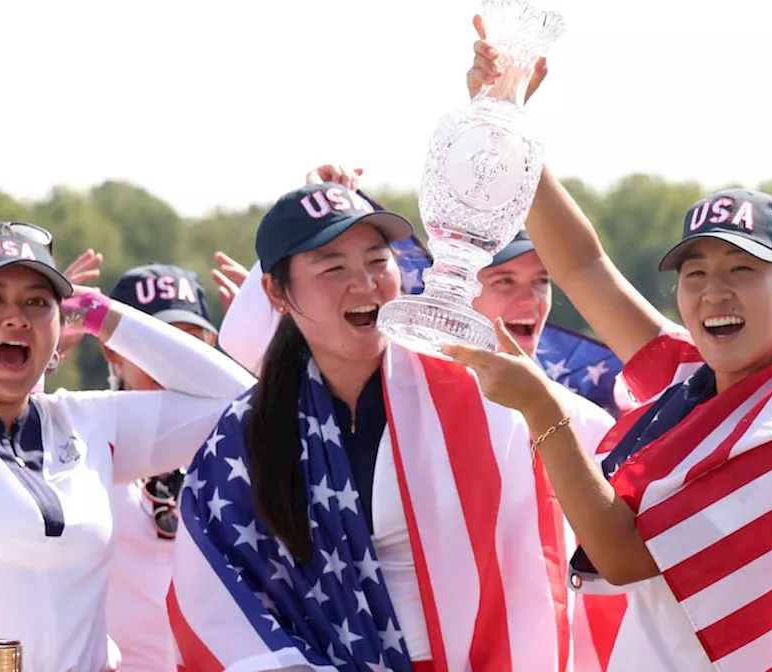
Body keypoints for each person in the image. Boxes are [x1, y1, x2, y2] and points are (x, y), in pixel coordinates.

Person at [447, 30, 772, 670]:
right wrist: (509, 127)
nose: (714, 293)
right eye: (696, 273)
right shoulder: (715, 377)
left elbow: (621, 553)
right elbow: (586, 268)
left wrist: (542, 411)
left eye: (741, 270)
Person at [168, 182, 614, 671]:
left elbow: (596, 441)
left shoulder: (475, 392)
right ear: (276, 292)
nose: (365, 283)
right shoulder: (244, 433)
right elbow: (217, 594)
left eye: (379, 261)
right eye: (334, 267)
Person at [0, 219, 255, 672]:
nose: (17, 316)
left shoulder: (88, 421)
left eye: (37, 301)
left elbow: (242, 403)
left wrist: (100, 314)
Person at [102, 264, 222, 672]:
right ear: (113, 352)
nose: (173, 367)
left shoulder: (236, 450)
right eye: (156, 347)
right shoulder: (76, 436)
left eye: (189, 347)